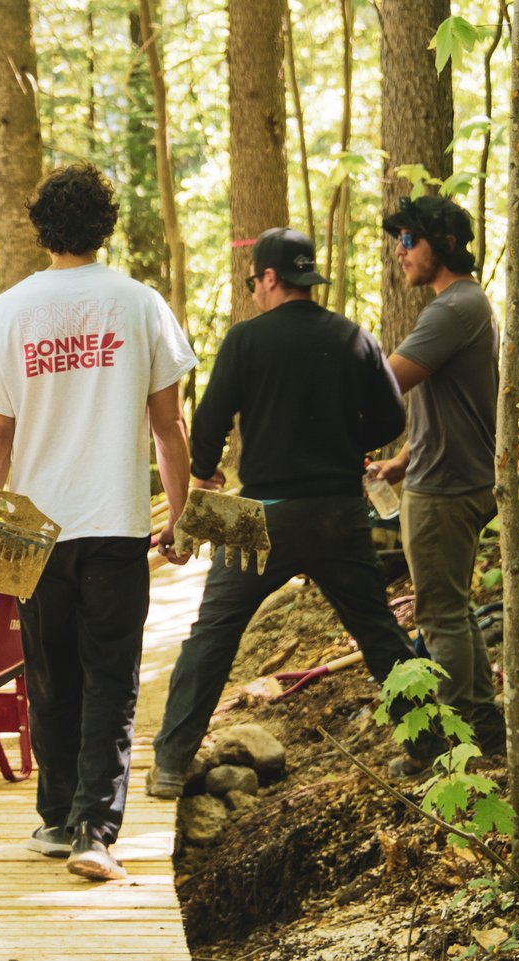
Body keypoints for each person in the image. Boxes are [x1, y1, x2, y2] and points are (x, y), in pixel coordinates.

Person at [0, 162, 196, 881]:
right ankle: (94, 827)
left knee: (50, 674)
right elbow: (168, 425)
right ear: (105, 225)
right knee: (110, 678)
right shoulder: (139, 304)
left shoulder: (11, 310)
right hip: (115, 522)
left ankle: (58, 820)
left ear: (43, 228)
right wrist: (181, 515)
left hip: (33, 527)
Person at [147, 227, 445, 798]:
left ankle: (169, 763)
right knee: (378, 633)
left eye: (253, 281)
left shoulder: (245, 341)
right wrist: (343, 440)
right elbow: (390, 422)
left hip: (259, 514)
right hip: (337, 511)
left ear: (269, 278)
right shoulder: (353, 336)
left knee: (212, 636)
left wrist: (204, 471)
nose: (253, 291)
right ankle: (429, 746)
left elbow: (207, 422)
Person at [371, 196, 505, 772]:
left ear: (443, 244)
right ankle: (482, 720)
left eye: (409, 240)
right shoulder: (464, 306)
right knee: (453, 609)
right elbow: (451, 403)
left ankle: (456, 744)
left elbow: (386, 382)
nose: (399, 252)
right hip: (448, 474)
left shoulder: (453, 309)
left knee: (440, 615)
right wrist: (404, 458)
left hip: (447, 489)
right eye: (397, 240)